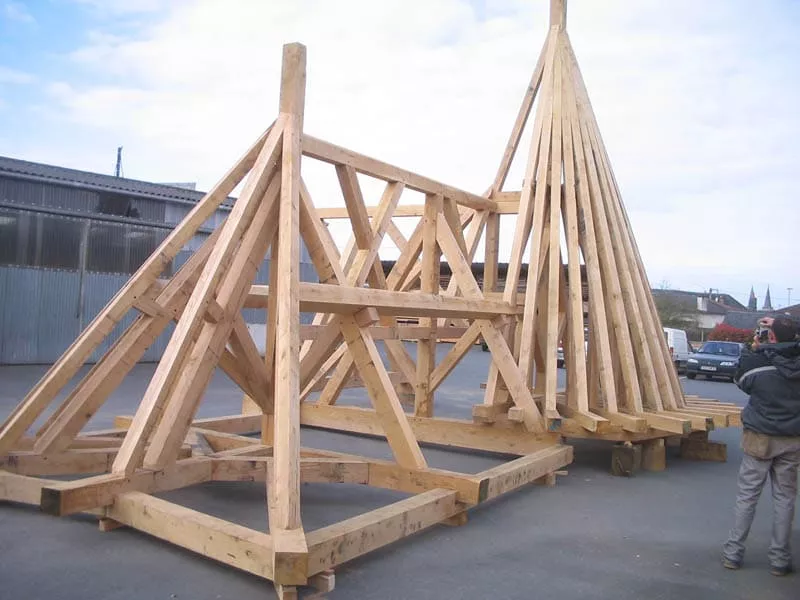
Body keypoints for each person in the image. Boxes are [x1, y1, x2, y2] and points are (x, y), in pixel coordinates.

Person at [722, 315, 800, 576]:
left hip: (759, 437)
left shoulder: (758, 362)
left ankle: (733, 554)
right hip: (792, 438)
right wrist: (782, 326)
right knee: (785, 499)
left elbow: (741, 382)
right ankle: (780, 559)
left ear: (771, 336)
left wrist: (754, 346)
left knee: (747, 497)